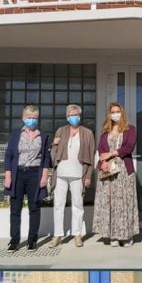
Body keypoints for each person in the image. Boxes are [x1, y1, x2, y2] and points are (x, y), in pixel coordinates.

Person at [4, 105, 51, 251]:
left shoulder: (43, 137)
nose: (32, 120)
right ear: (23, 118)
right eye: (29, 117)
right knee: (15, 209)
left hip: (35, 174)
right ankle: (14, 240)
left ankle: (32, 240)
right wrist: (8, 175)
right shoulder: (16, 134)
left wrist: (44, 176)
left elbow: (46, 158)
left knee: (34, 208)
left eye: (34, 118)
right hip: (18, 173)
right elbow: (8, 156)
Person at [48, 104, 95, 249]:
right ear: (67, 116)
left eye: (76, 114)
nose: (74, 117)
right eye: (71, 114)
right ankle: (57, 235)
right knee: (58, 205)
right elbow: (53, 153)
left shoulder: (87, 133)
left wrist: (88, 176)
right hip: (61, 173)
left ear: (80, 116)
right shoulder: (61, 131)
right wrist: (53, 144)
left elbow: (92, 156)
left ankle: (77, 235)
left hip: (78, 174)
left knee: (78, 205)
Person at [93, 102, 139, 247]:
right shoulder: (105, 132)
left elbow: (129, 147)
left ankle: (126, 236)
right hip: (108, 172)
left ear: (122, 112)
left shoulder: (130, 129)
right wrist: (103, 163)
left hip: (124, 171)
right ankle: (113, 235)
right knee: (111, 204)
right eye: (112, 112)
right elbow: (101, 151)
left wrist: (111, 154)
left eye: (117, 111)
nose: (115, 114)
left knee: (124, 203)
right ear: (109, 114)